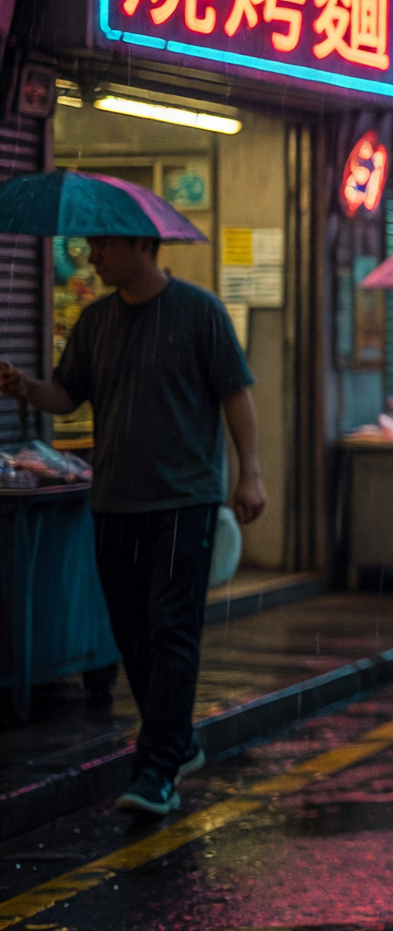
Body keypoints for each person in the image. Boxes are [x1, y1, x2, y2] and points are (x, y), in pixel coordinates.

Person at [0, 233, 263, 818]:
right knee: (131, 631)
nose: (92, 258)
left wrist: (252, 474)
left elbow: (236, 394)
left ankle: (157, 768)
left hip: (183, 501)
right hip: (114, 500)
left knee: (172, 628)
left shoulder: (200, 311)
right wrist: (26, 388)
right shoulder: (95, 322)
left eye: (103, 248)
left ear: (141, 246)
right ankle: (177, 740)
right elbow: (67, 396)